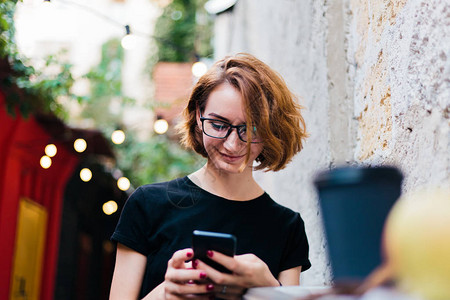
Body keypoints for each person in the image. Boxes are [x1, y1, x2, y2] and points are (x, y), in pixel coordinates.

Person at [110, 53, 311, 300]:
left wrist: (270, 288)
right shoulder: (147, 205)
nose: (233, 144)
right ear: (198, 116)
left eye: (250, 129)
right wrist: (166, 292)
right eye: (218, 125)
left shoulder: (286, 227)